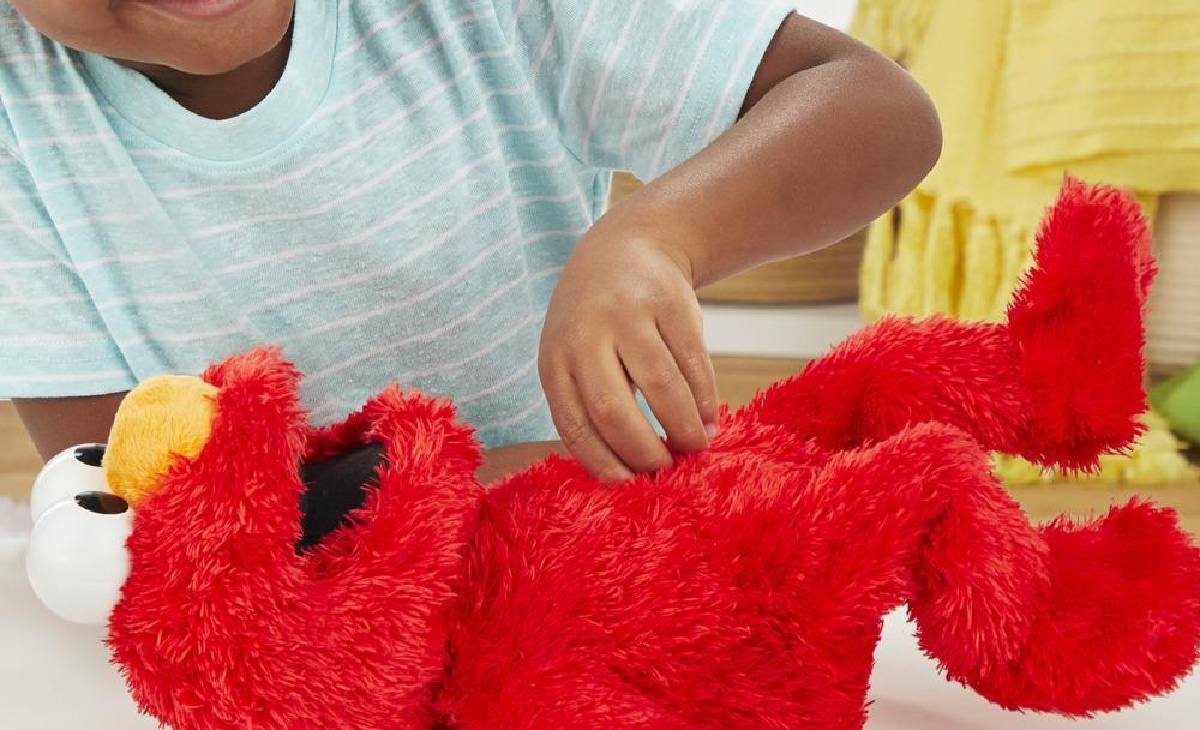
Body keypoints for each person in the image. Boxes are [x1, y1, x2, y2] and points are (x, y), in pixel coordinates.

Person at [0, 0, 940, 484]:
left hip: (609, 599)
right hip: (308, 689)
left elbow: (873, 108)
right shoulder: (17, 112)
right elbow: (144, 512)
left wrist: (655, 236)